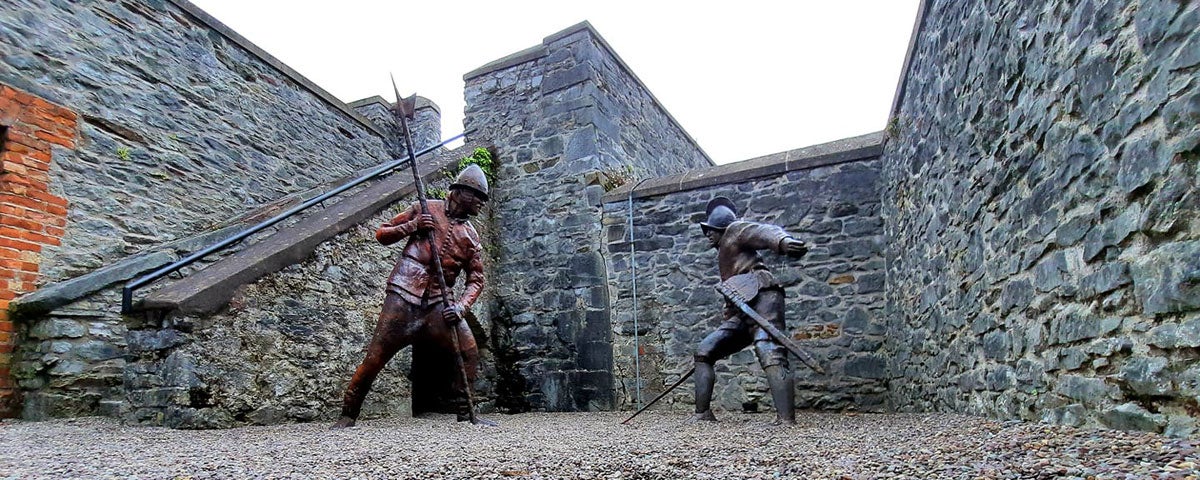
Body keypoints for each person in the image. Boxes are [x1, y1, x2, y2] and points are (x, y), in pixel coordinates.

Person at [332, 164, 493, 428]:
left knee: (469, 351)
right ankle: (348, 414)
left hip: (440, 303)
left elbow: (476, 280)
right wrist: (413, 226)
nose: (480, 204)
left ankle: (466, 413)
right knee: (376, 356)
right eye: (476, 197)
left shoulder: (471, 236)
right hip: (403, 294)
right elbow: (382, 234)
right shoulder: (424, 208)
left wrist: (462, 308)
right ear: (459, 193)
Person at [692, 196, 809, 425]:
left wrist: (782, 241)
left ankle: (786, 419)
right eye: (707, 230)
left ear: (723, 228)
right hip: (741, 311)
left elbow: (763, 231)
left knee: (769, 350)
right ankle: (702, 414)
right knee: (704, 351)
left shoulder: (735, 231)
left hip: (764, 297)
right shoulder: (725, 254)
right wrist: (729, 318)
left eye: (712, 229)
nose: (708, 234)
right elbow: (735, 291)